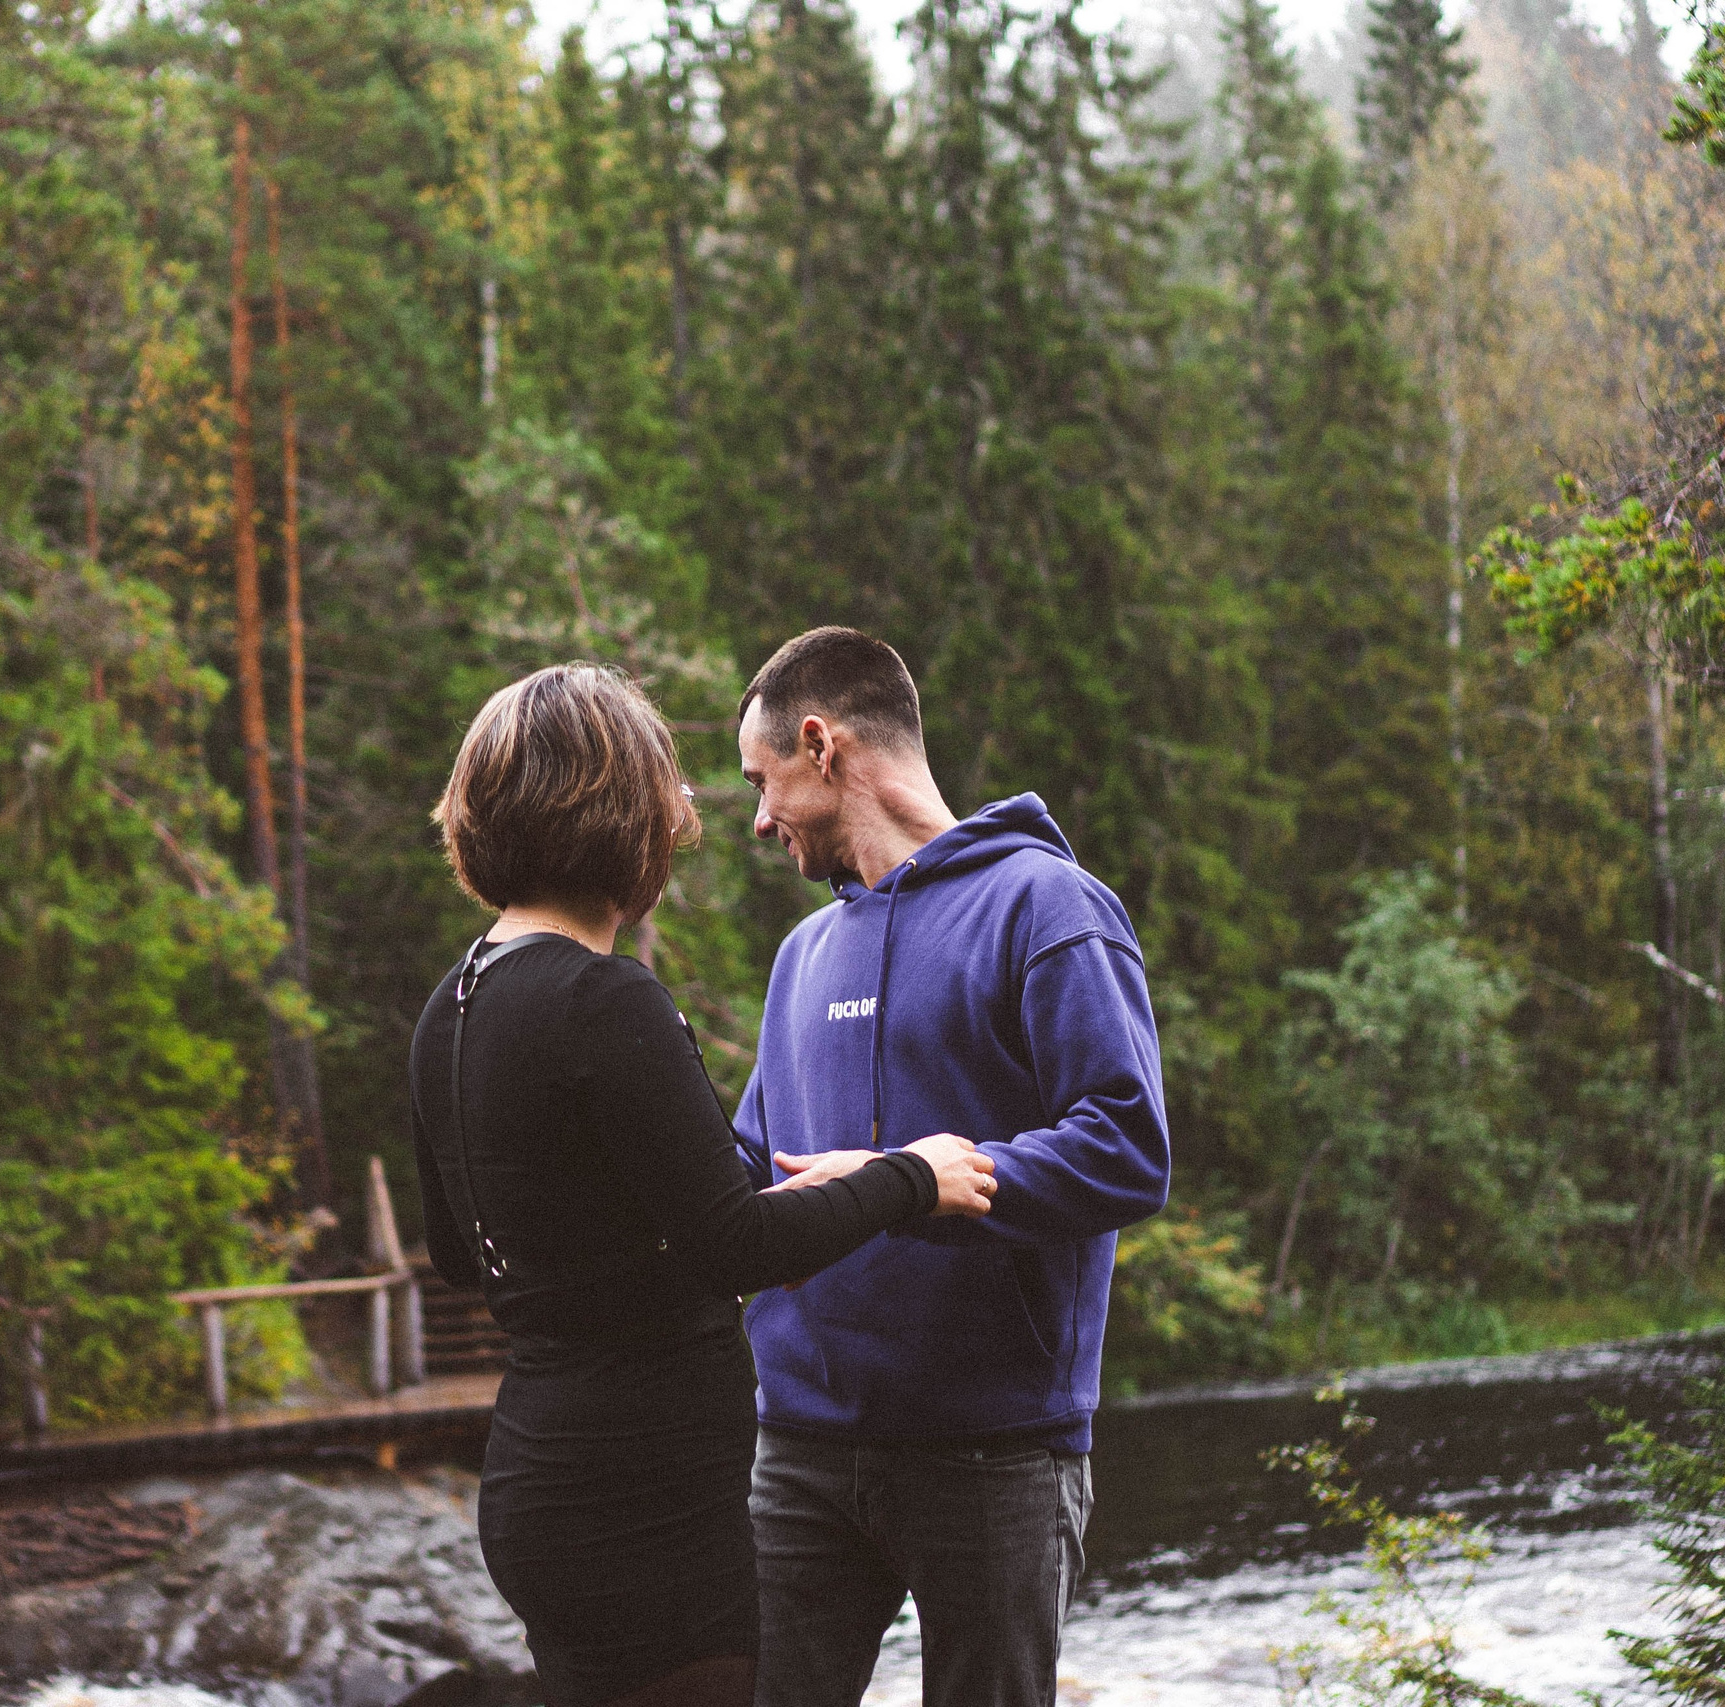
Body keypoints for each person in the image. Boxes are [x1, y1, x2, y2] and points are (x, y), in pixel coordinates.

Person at [410, 662, 1001, 1707]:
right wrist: (914, 1175)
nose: (681, 819)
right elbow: (737, 1247)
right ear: (618, 817)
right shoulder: (604, 1000)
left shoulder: (450, 1006)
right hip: (648, 1505)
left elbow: (462, 1254)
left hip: (536, 1478)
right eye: (667, 795)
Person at [730, 627, 1170, 1707]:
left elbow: (1127, 1143)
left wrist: (914, 1187)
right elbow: (747, 1163)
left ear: (821, 744)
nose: (757, 817)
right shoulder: (803, 955)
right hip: (797, 1448)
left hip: (994, 1452)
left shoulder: (1047, 907)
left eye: (762, 779)